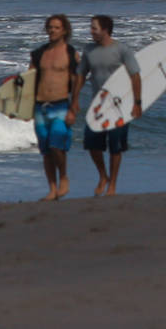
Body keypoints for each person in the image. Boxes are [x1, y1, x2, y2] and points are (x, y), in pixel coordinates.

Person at [71, 15, 142, 196]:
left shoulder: (122, 50)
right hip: (98, 105)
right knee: (92, 144)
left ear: (105, 29)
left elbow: (135, 76)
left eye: (94, 28)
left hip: (120, 106)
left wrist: (137, 103)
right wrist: (75, 99)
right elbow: (81, 75)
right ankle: (103, 176)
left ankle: (113, 185)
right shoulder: (89, 50)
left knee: (115, 146)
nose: (91, 31)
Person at [30, 14, 79, 201]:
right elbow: (28, 82)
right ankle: (52, 188)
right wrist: (23, 108)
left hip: (60, 105)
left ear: (64, 30)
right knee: (45, 150)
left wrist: (74, 106)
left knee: (56, 144)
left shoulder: (70, 53)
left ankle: (63, 177)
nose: (52, 30)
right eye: (50, 27)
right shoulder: (39, 54)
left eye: (56, 27)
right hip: (40, 106)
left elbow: (77, 82)